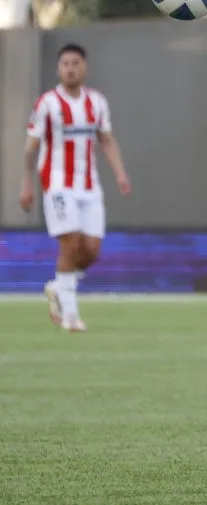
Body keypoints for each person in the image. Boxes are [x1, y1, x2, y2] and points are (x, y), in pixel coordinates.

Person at [20, 43, 132, 332]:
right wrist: (26, 183)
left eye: (75, 63)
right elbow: (31, 147)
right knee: (70, 243)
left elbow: (106, 139)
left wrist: (120, 173)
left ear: (85, 67)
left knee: (91, 250)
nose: (70, 68)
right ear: (59, 69)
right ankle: (70, 316)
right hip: (57, 184)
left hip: (89, 185)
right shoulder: (47, 104)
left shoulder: (96, 102)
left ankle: (58, 286)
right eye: (65, 64)